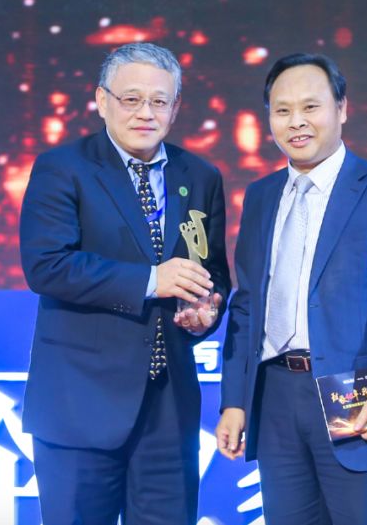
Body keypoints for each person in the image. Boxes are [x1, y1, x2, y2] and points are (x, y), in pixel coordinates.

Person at [217, 53, 367, 525]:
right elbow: (247, 305)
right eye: (282, 110)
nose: (296, 122)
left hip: (358, 399)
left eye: (310, 107)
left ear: (341, 108)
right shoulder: (261, 196)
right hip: (276, 398)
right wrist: (235, 400)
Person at [19, 42, 230, 525]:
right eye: (131, 99)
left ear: (176, 107)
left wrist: (207, 309)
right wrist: (152, 280)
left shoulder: (200, 176)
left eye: (159, 101)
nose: (145, 113)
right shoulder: (63, 168)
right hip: (81, 403)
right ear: (102, 100)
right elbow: (47, 265)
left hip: (168, 409)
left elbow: (212, 269)